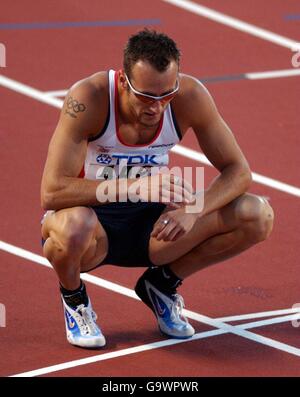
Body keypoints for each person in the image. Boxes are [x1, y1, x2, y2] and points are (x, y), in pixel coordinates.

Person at [40, 29, 274, 348]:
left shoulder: (190, 97)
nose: (157, 107)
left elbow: (239, 172)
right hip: (92, 231)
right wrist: (137, 186)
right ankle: (75, 299)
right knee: (74, 226)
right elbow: (51, 193)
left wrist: (194, 210)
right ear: (123, 81)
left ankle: (161, 285)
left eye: (166, 95)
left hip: (156, 230)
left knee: (256, 215)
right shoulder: (89, 98)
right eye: (147, 97)